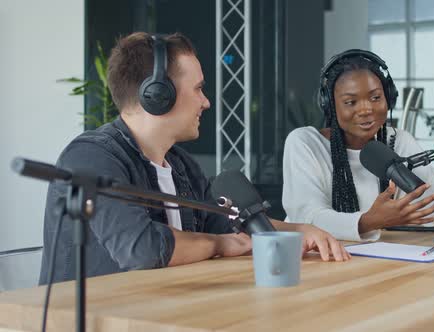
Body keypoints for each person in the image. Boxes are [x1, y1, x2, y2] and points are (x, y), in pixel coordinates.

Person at [39, 32, 349, 284]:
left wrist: (300, 232)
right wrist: (219, 245)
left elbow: (228, 227)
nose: (206, 101)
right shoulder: (91, 157)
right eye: (198, 88)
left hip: (166, 312)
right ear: (158, 95)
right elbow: (143, 249)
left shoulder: (181, 166)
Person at [282, 49, 434, 242]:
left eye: (375, 98)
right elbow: (307, 218)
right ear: (329, 105)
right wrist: (368, 221)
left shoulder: (399, 142)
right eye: (351, 102)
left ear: (388, 98)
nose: (366, 109)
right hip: (315, 260)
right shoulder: (305, 143)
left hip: (378, 262)